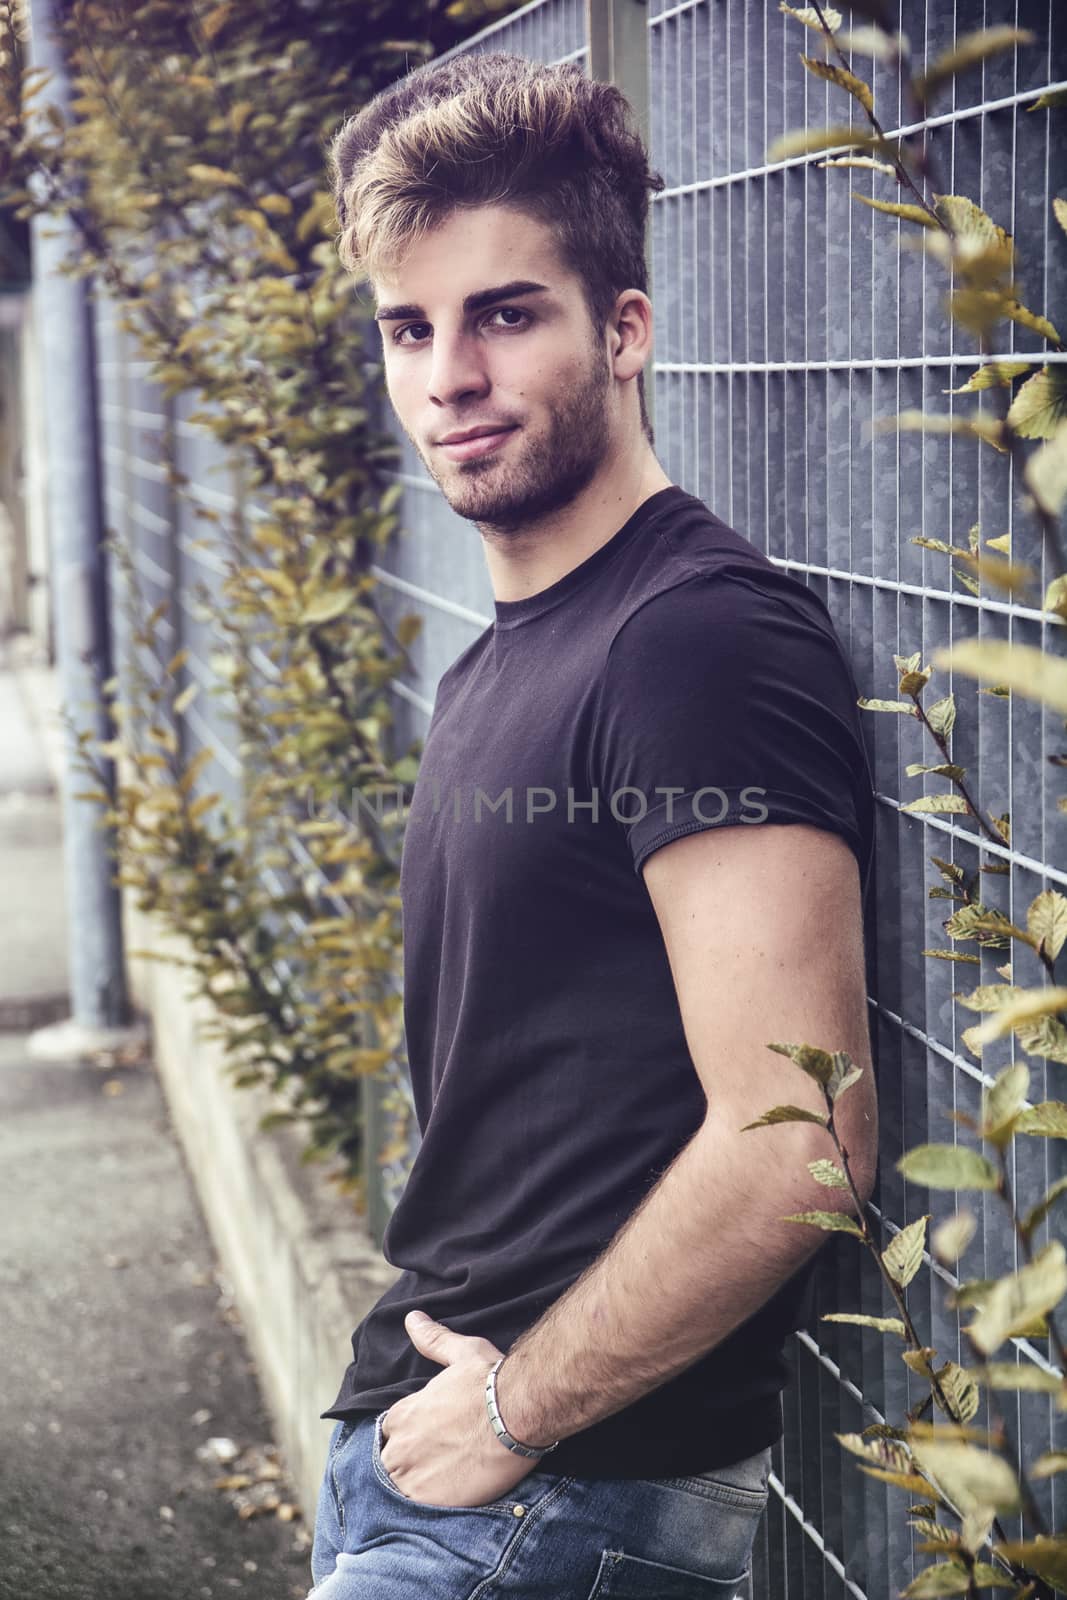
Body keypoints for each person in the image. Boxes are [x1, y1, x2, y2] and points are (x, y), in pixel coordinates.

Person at [308, 49, 879, 1600]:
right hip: (435, 1467)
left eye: (507, 313)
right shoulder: (509, 649)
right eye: (410, 330)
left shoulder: (692, 641)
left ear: (625, 328)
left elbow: (802, 1141)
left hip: (553, 1505)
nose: (449, 377)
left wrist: (510, 1411)